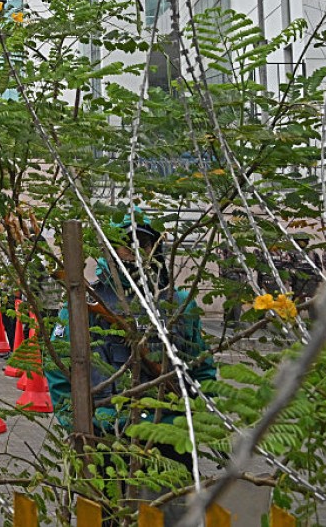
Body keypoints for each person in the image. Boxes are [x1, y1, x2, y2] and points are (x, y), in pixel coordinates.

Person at [44, 216, 216, 522]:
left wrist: (195, 417)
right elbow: (58, 368)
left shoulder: (178, 304)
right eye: (124, 244)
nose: (133, 251)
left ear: (154, 249)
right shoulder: (85, 303)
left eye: (142, 243)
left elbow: (201, 369)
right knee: (107, 518)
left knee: (172, 518)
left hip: (169, 437)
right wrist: (80, 425)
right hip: (108, 436)